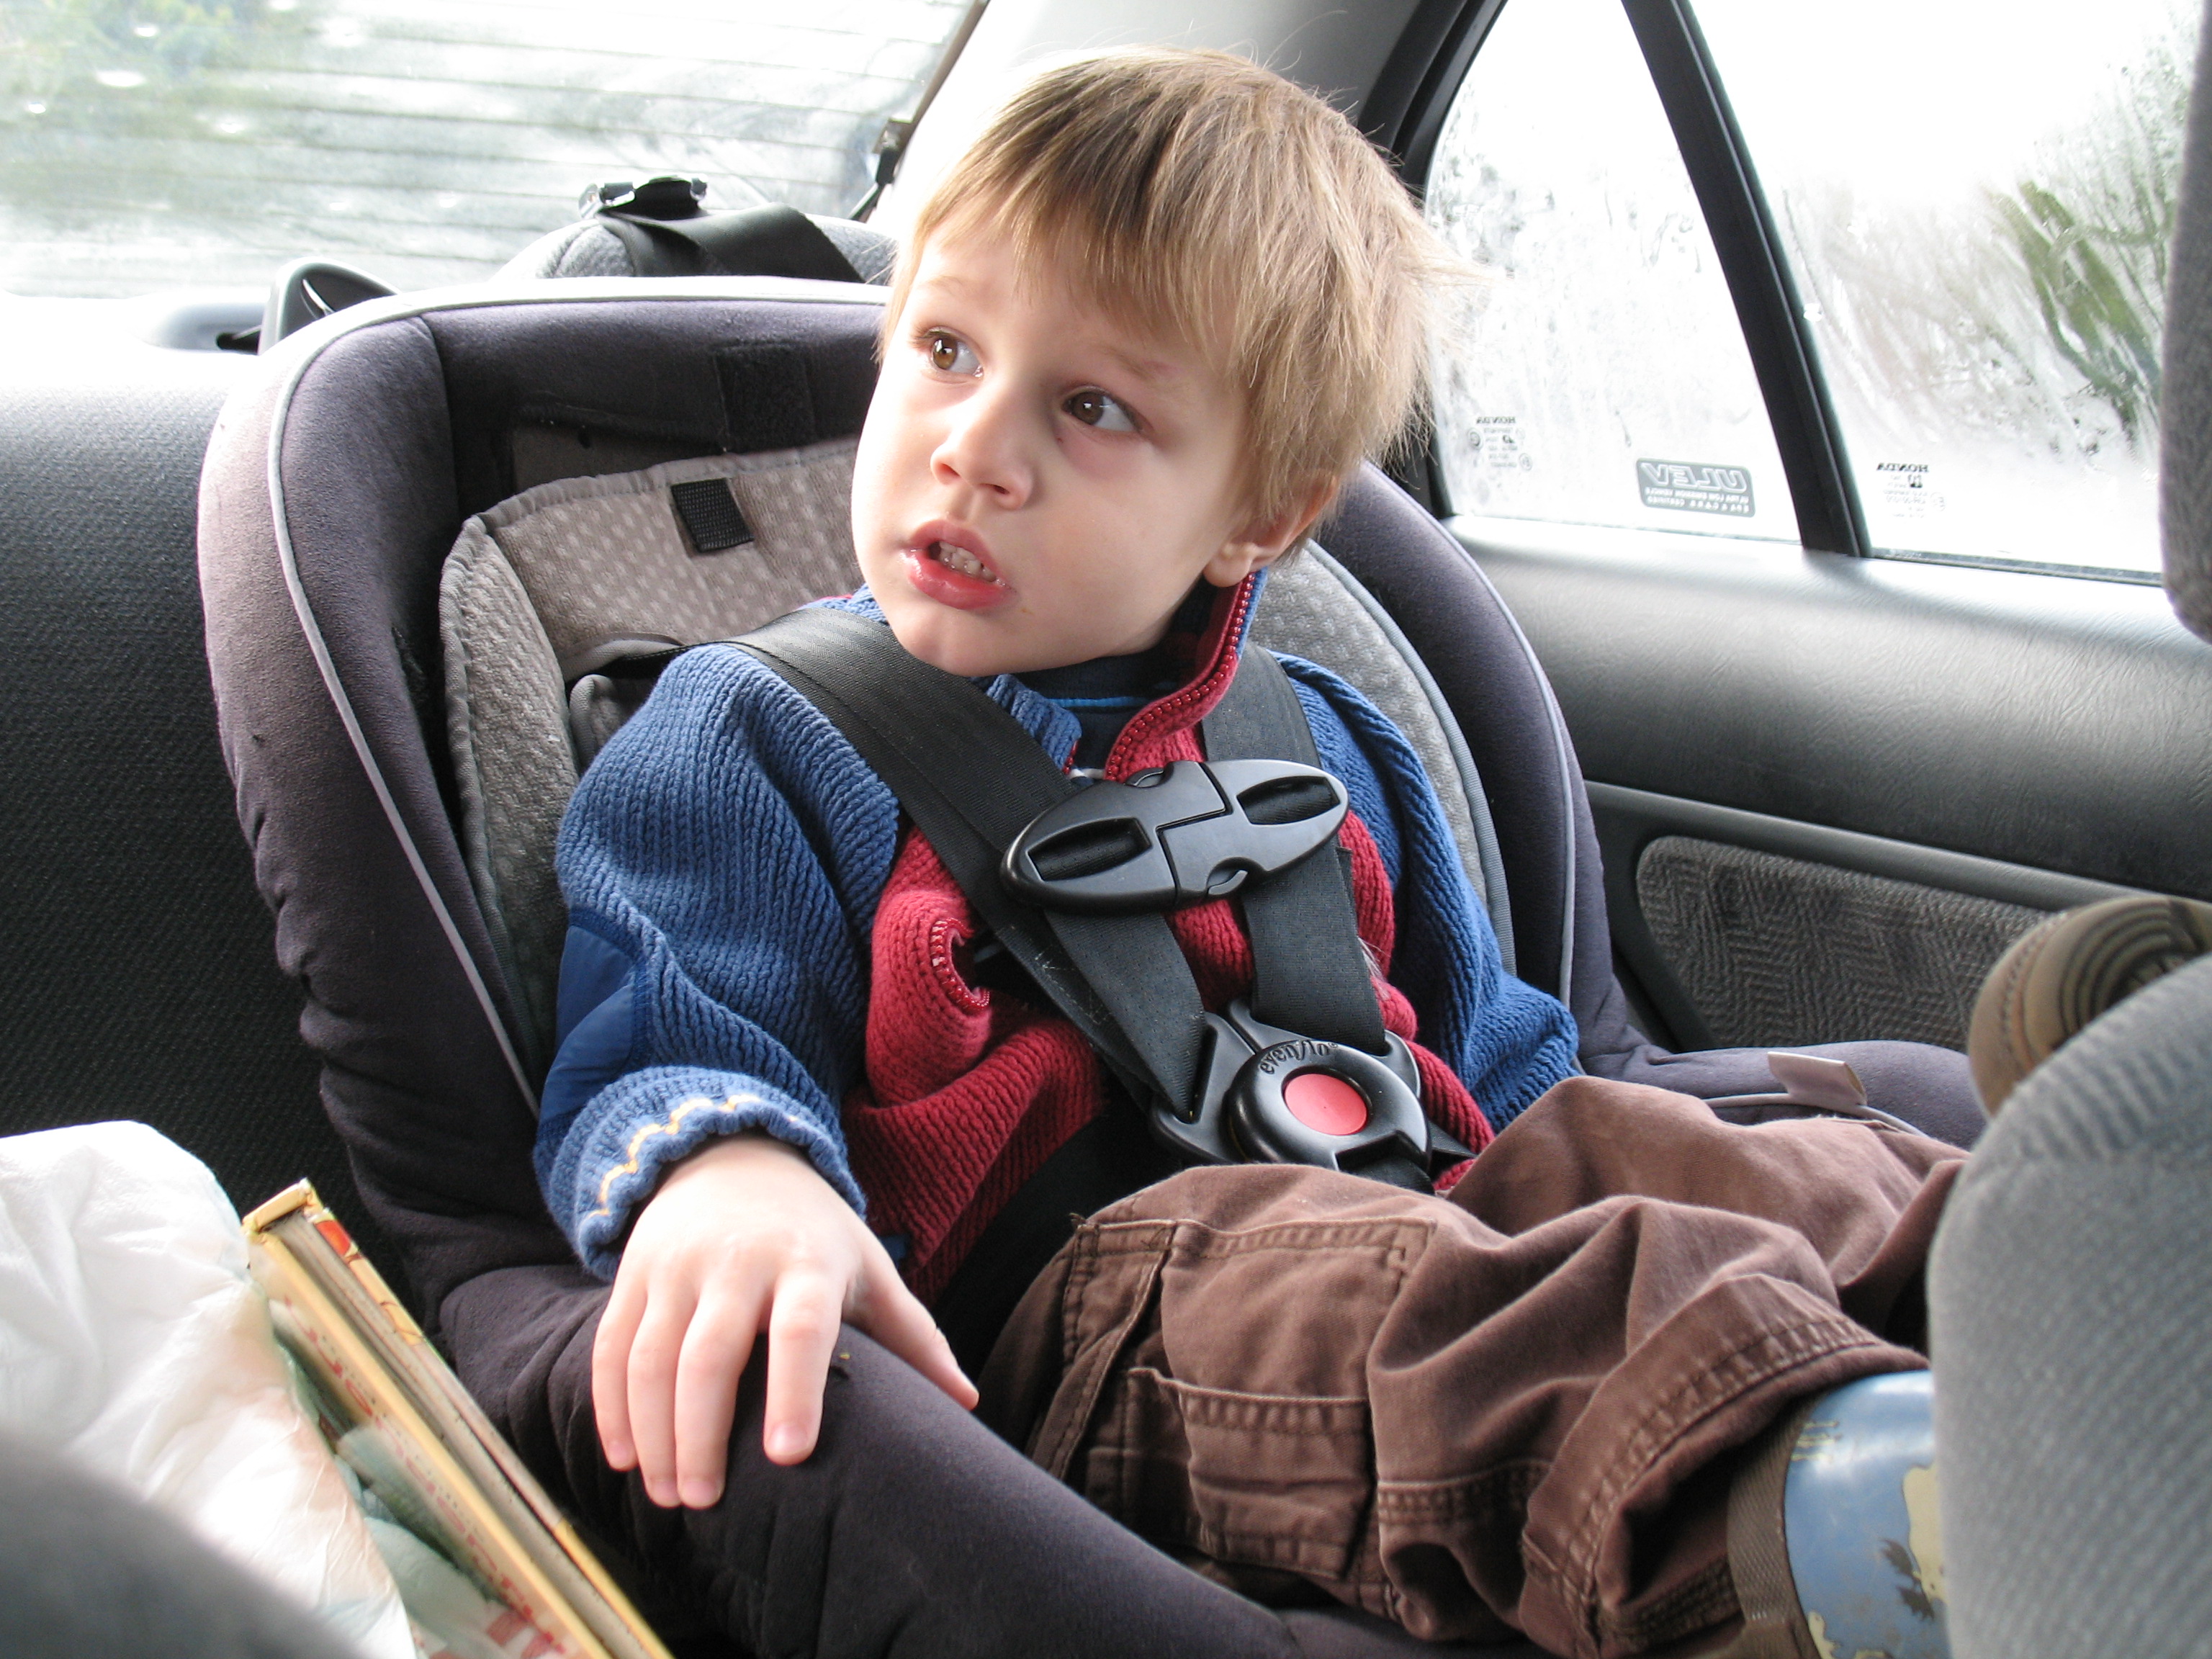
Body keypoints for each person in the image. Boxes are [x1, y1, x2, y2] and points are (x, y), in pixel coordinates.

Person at [529, 48, 1961, 1658]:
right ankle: (1836, 1529)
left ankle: (2069, 1321)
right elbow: (669, 1037)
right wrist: (733, 1179)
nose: (975, 447)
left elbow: (1506, 1068)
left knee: (1719, 1171)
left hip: (1401, 1208)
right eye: (942, 351)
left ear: (1258, 518)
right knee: (1436, 1309)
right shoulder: (755, 738)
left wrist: (1625, 1173)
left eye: (1093, 408)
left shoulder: (1327, 738)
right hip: (1084, 1314)